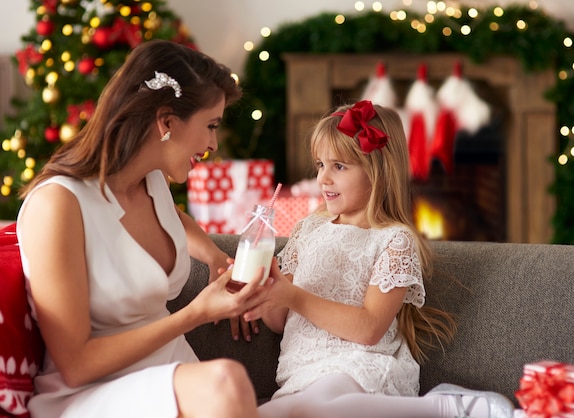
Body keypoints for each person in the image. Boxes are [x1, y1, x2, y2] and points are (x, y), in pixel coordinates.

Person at [16, 39, 269, 418]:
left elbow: (171, 222)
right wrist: (196, 313)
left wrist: (215, 256)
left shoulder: (152, 183)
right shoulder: (57, 205)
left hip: (172, 372)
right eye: (211, 125)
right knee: (226, 383)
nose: (214, 144)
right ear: (166, 122)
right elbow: (76, 363)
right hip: (91, 391)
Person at [245, 100, 514, 418]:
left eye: (339, 166)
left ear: (378, 172)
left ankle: (450, 408)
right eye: (320, 165)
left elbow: (370, 328)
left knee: (309, 410)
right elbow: (279, 321)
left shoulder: (394, 240)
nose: (323, 178)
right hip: (301, 373)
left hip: (361, 368)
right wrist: (264, 291)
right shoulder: (308, 230)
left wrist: (292, 295)